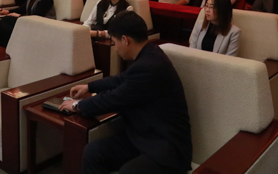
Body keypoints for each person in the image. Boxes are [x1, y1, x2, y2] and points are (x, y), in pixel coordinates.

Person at [60, 11, 192, 174]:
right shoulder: (149, 54)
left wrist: (77, 105)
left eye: (115, 42)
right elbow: (121, 79)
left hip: (165, 147)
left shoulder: (150, 66)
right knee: (93, 152)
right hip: (141, 136)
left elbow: (113, 99)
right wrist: (89, 87)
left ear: (125, 40)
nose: (115, 48)